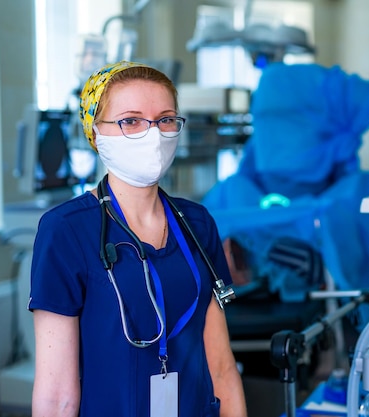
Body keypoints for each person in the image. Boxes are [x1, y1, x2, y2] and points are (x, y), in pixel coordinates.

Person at [29, 60, 247, 417]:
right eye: (130, 121)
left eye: (165, 120)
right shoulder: (66, 231)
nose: (153, 134)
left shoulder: (197, 223)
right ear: (96, 131)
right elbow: (56, 396)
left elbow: (222, 369)